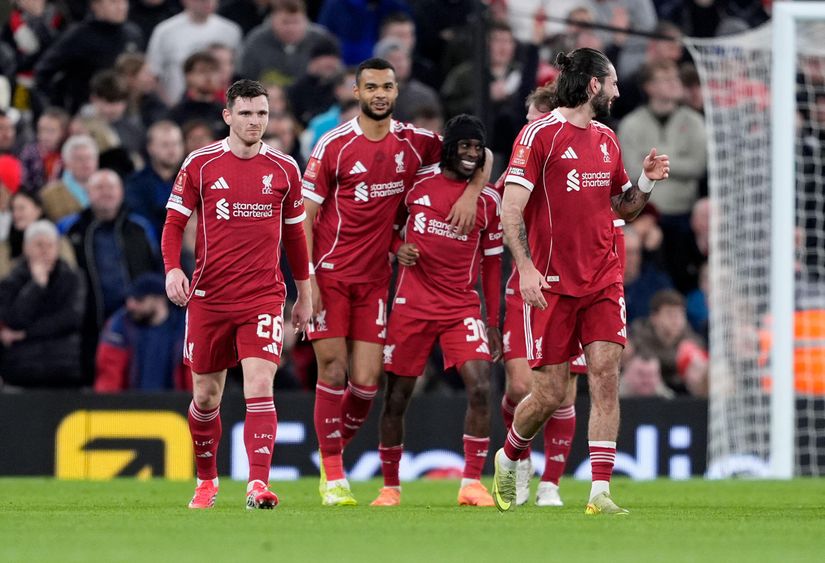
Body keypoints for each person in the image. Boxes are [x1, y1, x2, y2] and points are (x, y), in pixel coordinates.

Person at [493, 47, 670, 515]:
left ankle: (599, 492)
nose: (618, 91)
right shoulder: (538, 136)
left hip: (603, 279)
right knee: (549, 394)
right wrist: (525, 268)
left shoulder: (607, 139)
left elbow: (623, 207)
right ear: (594, 85)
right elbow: (510, 210)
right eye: (612, 83)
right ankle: (509, 455)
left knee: (606, 377)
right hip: (551, 283)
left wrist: (646, 183)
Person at [302, 57, 485, 506]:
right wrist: (307, 282)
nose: (379, 94)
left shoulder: (414, 141)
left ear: (396, 91)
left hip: (375, 279)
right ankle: (334, 474)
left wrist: (472, 192)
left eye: (386, 87)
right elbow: (303, 217)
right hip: (330, 272)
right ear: (356, 91)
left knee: (366, 385)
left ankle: (330, 451)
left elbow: (477, 149)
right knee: (333, 369)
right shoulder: (334, 145)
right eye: (371, 87)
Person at [162, 79, 312, 510]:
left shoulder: (285, 168)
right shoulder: (201, 163)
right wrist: (173, 269)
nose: (255, 121)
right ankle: (206, 481)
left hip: (263, 296)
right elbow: (174, 223)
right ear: (227, 115)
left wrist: (304, 295)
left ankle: (258, 484)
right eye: (246, 113)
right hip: (209, 297)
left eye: (262, 113)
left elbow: (295, 237)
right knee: (205, 397)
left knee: (260, 385)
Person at [371, 115, 499, 508]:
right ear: (449, 148)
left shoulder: (488, 200)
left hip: (461, 305)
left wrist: (494, 322)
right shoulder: (418, 184)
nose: (471, 154)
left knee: (481, 387)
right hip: (413, 304)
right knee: (397, 397)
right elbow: (386, 227)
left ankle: (471, 484)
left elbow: (493, 264)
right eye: (464, 146)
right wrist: (398, 248)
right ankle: (390, 487)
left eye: (477, 148)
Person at [61, 169, 160, 381]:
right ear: (87, 193)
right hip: (88, 325)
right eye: (99, 187)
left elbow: (157, 269)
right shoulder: (70, 228)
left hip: (138, 320)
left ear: (121, 192)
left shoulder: (140, 228)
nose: (106, 192)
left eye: (111, 187)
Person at [0, 220, 85, 388]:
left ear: (57, 248)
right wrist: (36, 286)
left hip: (64, 366)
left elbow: (70, 319)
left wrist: (26, 334)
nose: (45, 251)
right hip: (21, 368)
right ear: (26, 248)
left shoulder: (73, 278)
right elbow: (13, 320)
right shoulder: (10, 281)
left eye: (50, 245)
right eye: (39, 245)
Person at [94, 272, 188, 392]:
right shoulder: (120, 325)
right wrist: (107, 402)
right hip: (129, 403)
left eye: (139, 299)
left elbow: (194, 373)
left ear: (160, 299)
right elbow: (109, 374)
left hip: (176, 402)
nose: (131, 305)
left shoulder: (184, 326)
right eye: (129, 298)